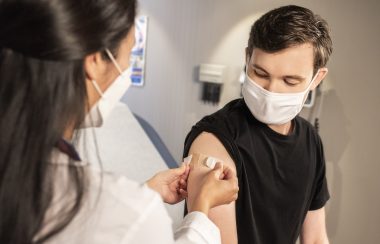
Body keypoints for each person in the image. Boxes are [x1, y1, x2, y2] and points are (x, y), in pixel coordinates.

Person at [0, 0, 239, 243]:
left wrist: (147, 192)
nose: (127, 66)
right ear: (93, 61)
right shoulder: (131, 214)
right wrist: (200, 210)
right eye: (132, 52)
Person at [184, 5, 332, 244]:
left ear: (317, 78)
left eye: (289, 80)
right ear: (247, 58)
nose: (270, 90)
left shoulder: (311, 142)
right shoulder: (213, 140)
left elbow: (315, 238)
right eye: (260, 73)